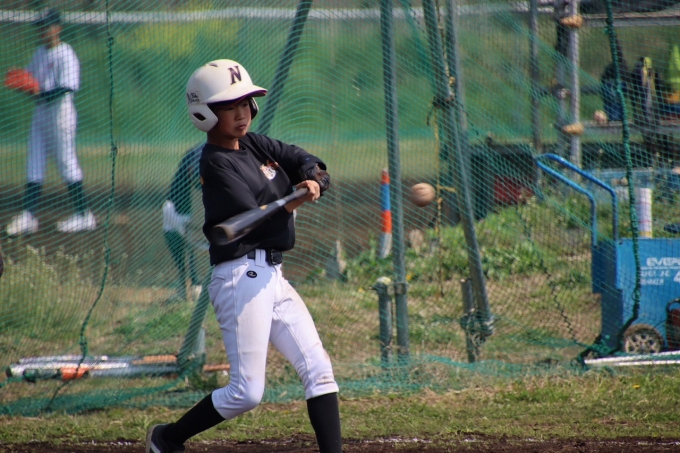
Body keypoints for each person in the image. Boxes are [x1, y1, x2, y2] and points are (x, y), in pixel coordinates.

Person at [145, 59, 341, 453]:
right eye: (229, 106)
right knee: (246, 393)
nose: (242, 114)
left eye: (245, 103)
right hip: (240, 279)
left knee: (320, 371)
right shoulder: (215, 163)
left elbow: (298, 157)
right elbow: (256, 219)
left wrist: (313, 175)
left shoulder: (254, 144)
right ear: (205, 113)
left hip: (273, 277)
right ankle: (166, 439)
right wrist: (293, 201)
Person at [5, 9, 96, 236]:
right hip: (41, 113)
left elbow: (67, 87)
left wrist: (41, 93)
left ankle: (84, 215)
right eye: (40, 26)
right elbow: (31, 80)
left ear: (58, 28)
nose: (42, 30)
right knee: (34, 162)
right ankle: (28, 215)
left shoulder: (66, 53)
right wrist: (24, 83)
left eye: (46, 26)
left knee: (67, 163)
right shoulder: (39, 53)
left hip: (60, 114)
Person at [163, 142, 204, 302]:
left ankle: (191, 282)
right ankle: (193, 282)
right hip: (191, 214)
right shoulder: (201, 152)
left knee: (168, 211)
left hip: (197, 216)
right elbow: (197, 173)